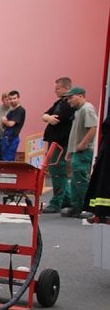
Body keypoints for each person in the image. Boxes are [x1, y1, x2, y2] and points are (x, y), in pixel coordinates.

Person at [59, 86, 98, 219]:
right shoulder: (78, 111)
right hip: (77, 151)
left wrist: (83, 145)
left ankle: (88, 207)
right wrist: (70, 151)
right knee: (75, 180)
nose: (69, 101)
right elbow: (75, 133)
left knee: (81, 179)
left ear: (81, 96)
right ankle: (76, 207)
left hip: (83, 151)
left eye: (71, 97)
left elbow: (93, 127)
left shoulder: (87, 109)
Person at [40, 77, 76, 214]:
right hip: (55, 143)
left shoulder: (67, 104)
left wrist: (48, 118)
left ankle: (57, 202)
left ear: (66, 88)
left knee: (57, 172)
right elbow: (45, 115)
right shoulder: (59, 102)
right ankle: (67, 199)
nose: (55, 91)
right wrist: (48, 117)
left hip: (61, 143)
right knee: (56, 170)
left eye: (58, 89)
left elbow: (56, 119)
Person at [0, 90, 25, 161]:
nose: (12, 100)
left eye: (14, 98)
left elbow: (11, 124)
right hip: (6, 137)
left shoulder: (20, 110)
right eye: (10, 99)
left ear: (18, 98)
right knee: (3, 159)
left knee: (8, 160)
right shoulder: (11, 110)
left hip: (12, 139)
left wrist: (4, 121)